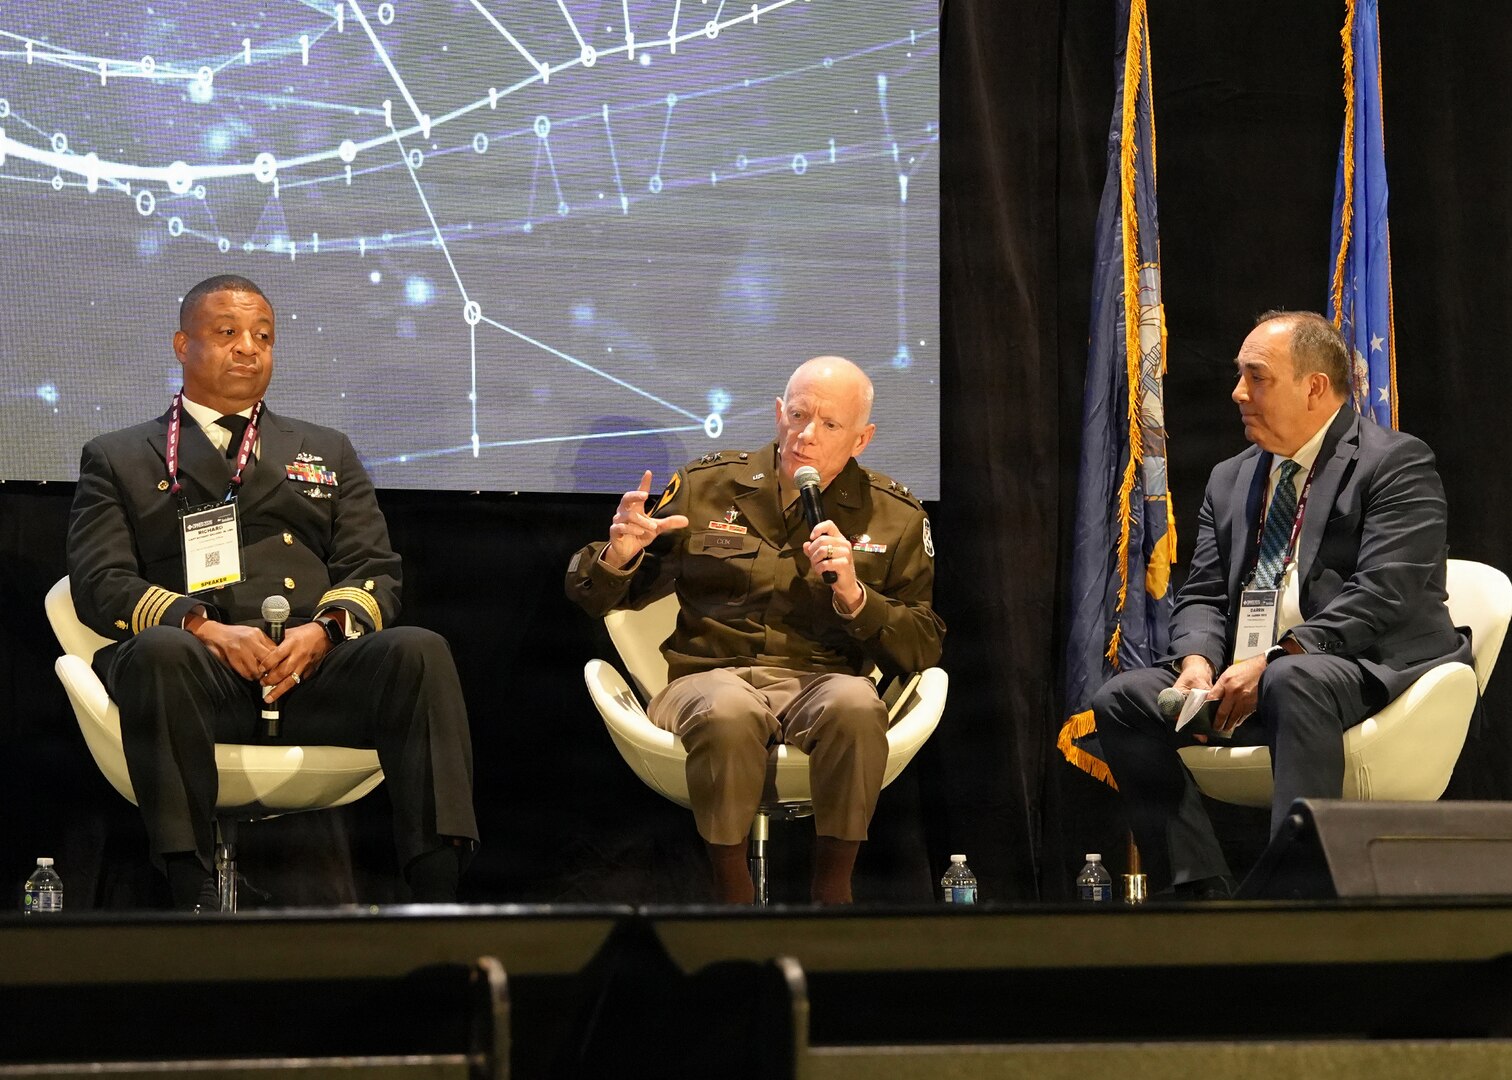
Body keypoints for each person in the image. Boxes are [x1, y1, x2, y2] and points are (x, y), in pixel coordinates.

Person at [67, 274, 477, 909]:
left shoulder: (324, 449)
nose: (248, 348)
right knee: (159, 654)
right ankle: (191, 889)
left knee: (419, 651)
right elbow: (100, 582)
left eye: (262, 335)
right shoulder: (121, 456)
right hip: (198, 676)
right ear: (182, 345)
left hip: (309, 672)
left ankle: (439, 895)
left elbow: (375, 568)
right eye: (226, 333)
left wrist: (325, 631)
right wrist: (203, 626)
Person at [1094, 311, 1469, 898]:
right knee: (1121, 699)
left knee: (1293, 679)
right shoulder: (1230, 478)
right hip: (1255, 670)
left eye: (1256, 376)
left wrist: (1273, 657)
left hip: (1364, 663)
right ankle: (1198, 892)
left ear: (1314, 386)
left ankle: (1296, 901)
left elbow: (1384, 592)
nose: (1237, 391)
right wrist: (1196, 661)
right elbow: (1200, 595)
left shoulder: (1395, 462)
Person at [567, 356, 944, 903]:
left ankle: (833, 893)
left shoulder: (895, 516)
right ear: (777, 414)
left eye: (830, 425)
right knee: (729, 710)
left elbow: (923, 644)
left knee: (859, 707)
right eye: (797, 415)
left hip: (820, 682)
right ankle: (732, 893)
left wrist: (855, 596)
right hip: (705, 677)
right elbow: (595, 596)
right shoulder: (707, 487)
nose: (806, 436)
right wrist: (618, 556)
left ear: (862, 439)